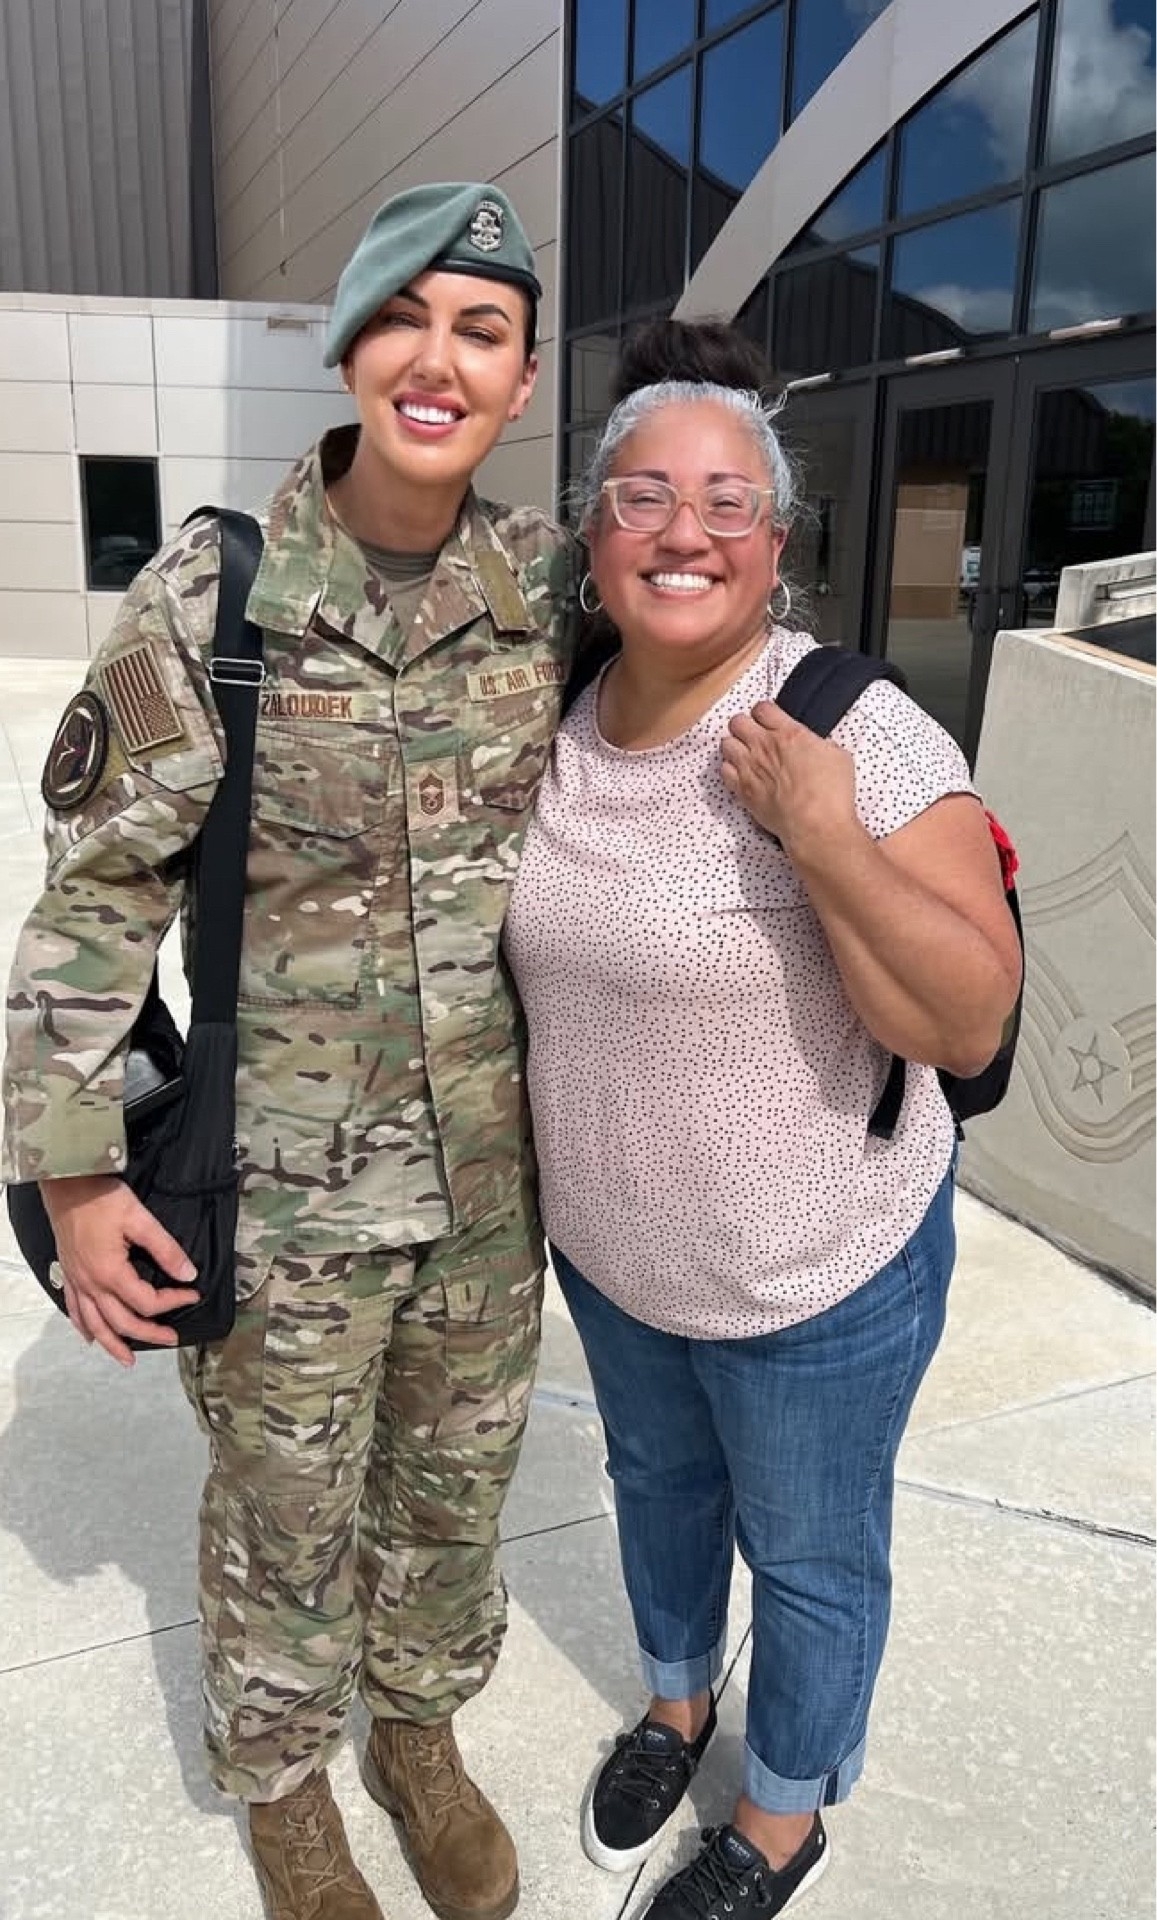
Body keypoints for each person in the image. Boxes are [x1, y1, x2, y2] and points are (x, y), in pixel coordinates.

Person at [2, 182, 576, 1920]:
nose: (437, 360)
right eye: (403, 318)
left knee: (454, 1490)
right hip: (282, 1201)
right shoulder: (217, 595)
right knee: (283, 1512)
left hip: (492, 1189)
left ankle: (418, 1734)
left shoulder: (549, 590)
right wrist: (73, 1177)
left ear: (523, 378)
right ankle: (284, 1790)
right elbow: (96, 899)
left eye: (481, 331)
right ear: (345, 350)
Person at [503, 320, 1022, 1920]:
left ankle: (781, 1818)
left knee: (808, 1561)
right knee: (657, 1500)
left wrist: (825, 840)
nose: (686, 531)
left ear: (775, 545)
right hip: (616, 1261)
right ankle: (676, 1709)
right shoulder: (555, 715)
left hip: (814, 1278)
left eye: (728, 502)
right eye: (645, 496)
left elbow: (966, 1018)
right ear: (594, 534)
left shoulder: (850, 728)